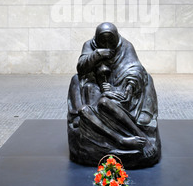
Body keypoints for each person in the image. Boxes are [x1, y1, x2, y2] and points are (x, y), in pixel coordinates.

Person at [67, 22, 161, 168]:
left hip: (119, 86)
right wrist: (97, 54)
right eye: (102, 40)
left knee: (147, 78)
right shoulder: (89, 45)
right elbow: (81, 68)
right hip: (96, 85)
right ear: (96, 39)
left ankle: (141, 117)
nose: (106, 44)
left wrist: (129, 86)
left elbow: (135, 68)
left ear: (116, 38)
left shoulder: (125, 46)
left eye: (109, 40)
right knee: (77, 82)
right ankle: (79, 118)